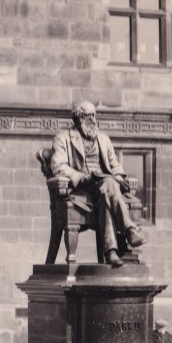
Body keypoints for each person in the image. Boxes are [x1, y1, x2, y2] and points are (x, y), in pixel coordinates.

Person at [50, 100, 144, 267]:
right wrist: (79, 176)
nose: (93, 119)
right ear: (79, 118)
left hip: (104, 186)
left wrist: (120, 178)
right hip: (81, 188)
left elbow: (114, 165)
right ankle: (130, 231)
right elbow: (58, 165)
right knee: (108, 185)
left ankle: (111, 252)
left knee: (108, 186)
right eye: (89, 115)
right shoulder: (63, 137)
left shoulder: (103, 138)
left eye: (94, 115)